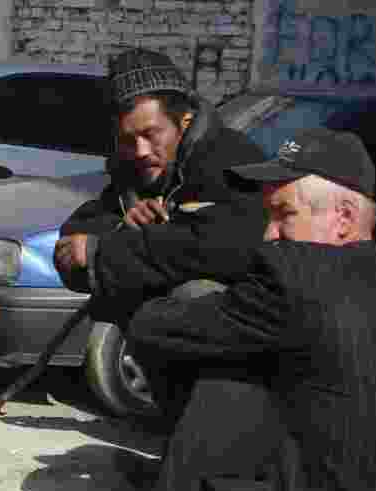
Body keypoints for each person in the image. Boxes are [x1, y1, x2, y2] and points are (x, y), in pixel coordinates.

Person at [122, 127, 376, 491]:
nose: (268, 235)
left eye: (282, 215)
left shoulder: (294, 277)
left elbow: (152, 327)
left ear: (344, 218)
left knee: (203, 325)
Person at [53, 48, 268, 326]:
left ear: (185, 120)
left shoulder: (232, 160)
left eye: (150, 134)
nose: (140, 151)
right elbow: (74, 242)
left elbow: (221, 248)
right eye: (128, 139)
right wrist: (120, 227)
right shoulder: (130, 174)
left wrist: (102, 252)